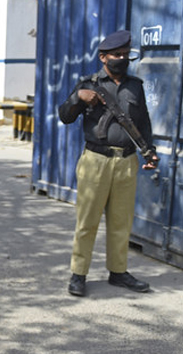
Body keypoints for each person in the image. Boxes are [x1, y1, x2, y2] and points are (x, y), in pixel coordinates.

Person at [58, 30, 159, 297]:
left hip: (126, 162)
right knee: (87, 221)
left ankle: (118, 272)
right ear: (103, 57)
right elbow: (65, 116)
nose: (122, 59)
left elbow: (143, 123)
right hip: (96, 161)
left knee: (121, 222)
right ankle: (78, 274)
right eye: (117, 55)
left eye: (126, 55)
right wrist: (77, 98)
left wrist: (150, 152)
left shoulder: (135, 86)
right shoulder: (88, 84)